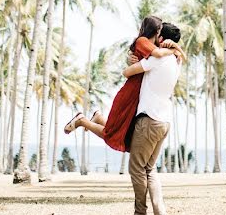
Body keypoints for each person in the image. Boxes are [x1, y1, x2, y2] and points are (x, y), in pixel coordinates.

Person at [64, 16, 182, 151]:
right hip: (131, 93)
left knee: (122, 134)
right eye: (159, 31)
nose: (160, 36)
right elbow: (147, 59)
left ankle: (98, 117)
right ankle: (82, 121)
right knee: (114, 135)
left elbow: (144, 58)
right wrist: (175, 50)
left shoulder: (157, 52)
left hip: (139, 97)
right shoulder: (148, 45)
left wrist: (174, 51)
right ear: (155, 32)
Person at [122, 22, 183, 215]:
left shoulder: (157, 59)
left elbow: (127, 72)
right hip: (164, 121)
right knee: (149, 169)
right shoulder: (176, 60)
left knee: (137, 169)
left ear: (160, 38)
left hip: (149, 120)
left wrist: (133, 61)